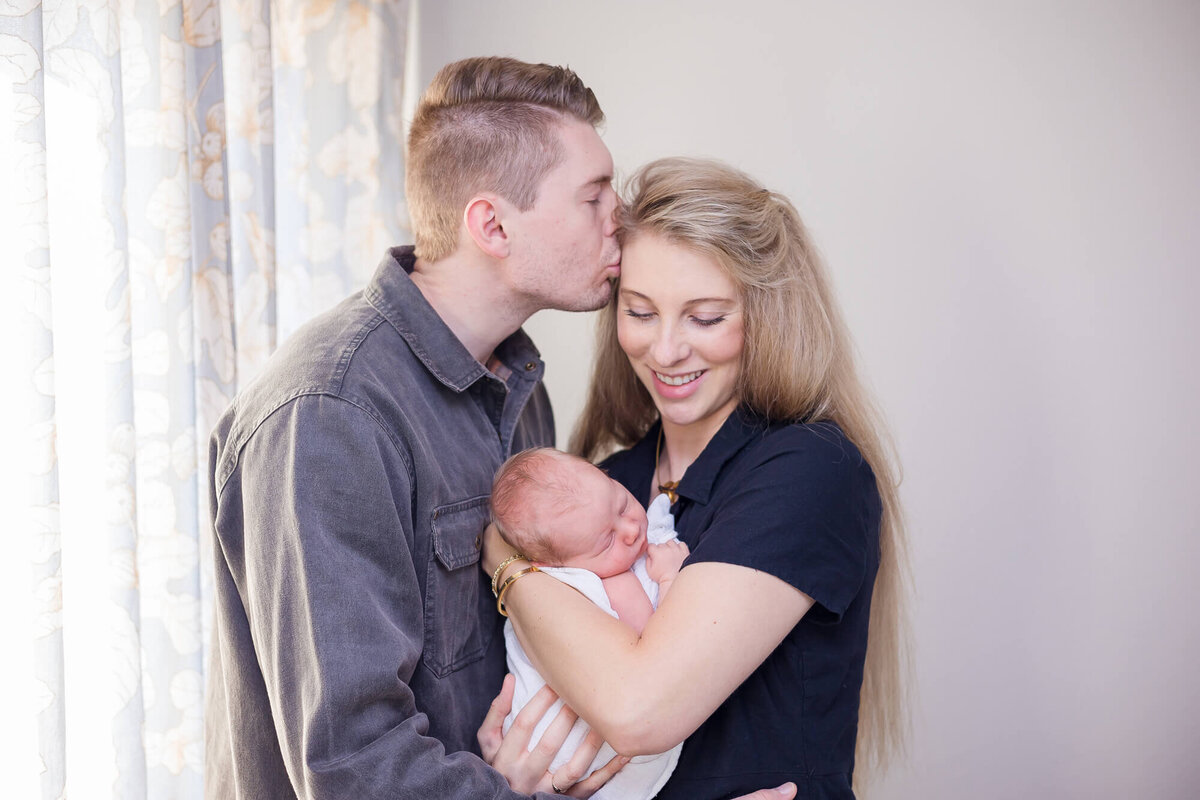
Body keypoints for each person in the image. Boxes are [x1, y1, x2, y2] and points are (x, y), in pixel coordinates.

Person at [205, 53, 797, 800]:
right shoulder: (330, 415)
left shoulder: (516, 388)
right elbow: (355, 768)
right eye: (591, 196)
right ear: (491, 223)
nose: (618, 214)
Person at [483, 157, 910, 799]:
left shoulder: (809, 472)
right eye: (641, 311)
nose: (666, 350)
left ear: (765, 318)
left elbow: (636, 709)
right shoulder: (609, 483)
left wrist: (503, 559)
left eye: (706, 318)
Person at [489, 447, 688, 799]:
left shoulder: (571, 551)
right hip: (568, 751)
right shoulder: (609, 584)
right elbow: (660, 650)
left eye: (622, 504)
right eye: (607, 540)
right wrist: (672, 579)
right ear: (551, 564)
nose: (630, 529)